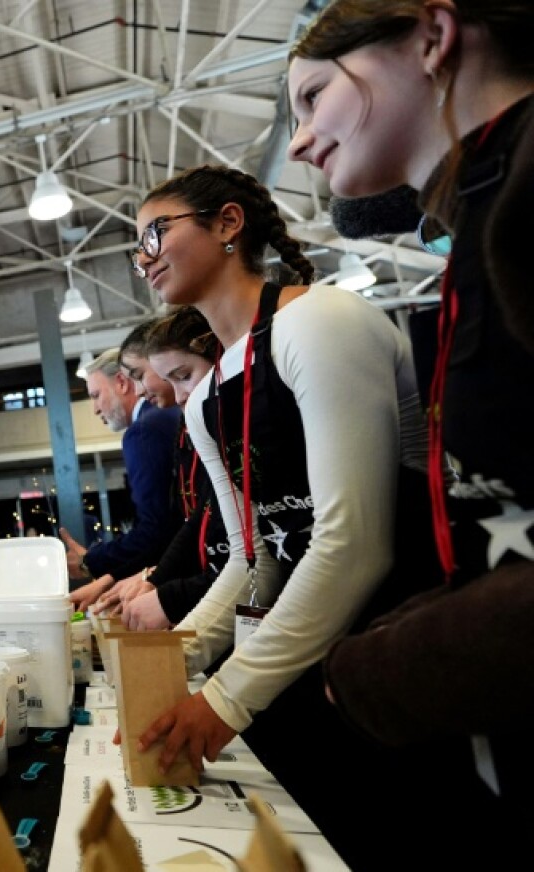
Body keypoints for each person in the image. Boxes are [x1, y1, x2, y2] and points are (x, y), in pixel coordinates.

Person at [129, 163, 494, 869]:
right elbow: (251, 555)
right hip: (307, 648)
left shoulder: (318, 322)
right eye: (134, 246)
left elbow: (354, 542)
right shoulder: (207, 400)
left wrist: (228, 697)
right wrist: (180, 657)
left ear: (228, 224)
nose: (144, 258)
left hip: (399, 639)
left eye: (154, 232)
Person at [288, 0, 534, 835]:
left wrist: (385, 668)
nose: (297, 139)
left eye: (313, 96)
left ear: (433, 37)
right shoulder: (486, 212)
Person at [99, 309, 229, 631]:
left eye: (183, 376)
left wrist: (163, 588)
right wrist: (153, 579)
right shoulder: (187, 421)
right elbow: (201, 515)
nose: (141, 390)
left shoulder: (152, 426)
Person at [65, 348, 182, 610]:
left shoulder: (144, 431)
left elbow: (157, 530)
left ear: (121, 382)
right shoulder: (166, 416)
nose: (95, 409)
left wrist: (91, 561)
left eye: (96, 395)